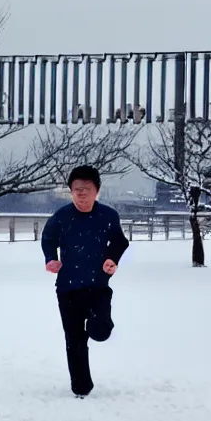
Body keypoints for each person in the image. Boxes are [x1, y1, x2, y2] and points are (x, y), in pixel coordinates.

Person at [41, 165, 129, 398]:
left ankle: (95, 324)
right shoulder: (62, 217)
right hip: (68, 289)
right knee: (75, 341)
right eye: (76, 189)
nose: (81, 193)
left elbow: (120, 242)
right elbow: (48, 238)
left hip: (98, 286)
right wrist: (51, 259)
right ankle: (81, 387)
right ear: (70, 191)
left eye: (86, 189)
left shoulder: (108, 216)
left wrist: (112, 259)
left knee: (100, 331)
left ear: (97, 191)